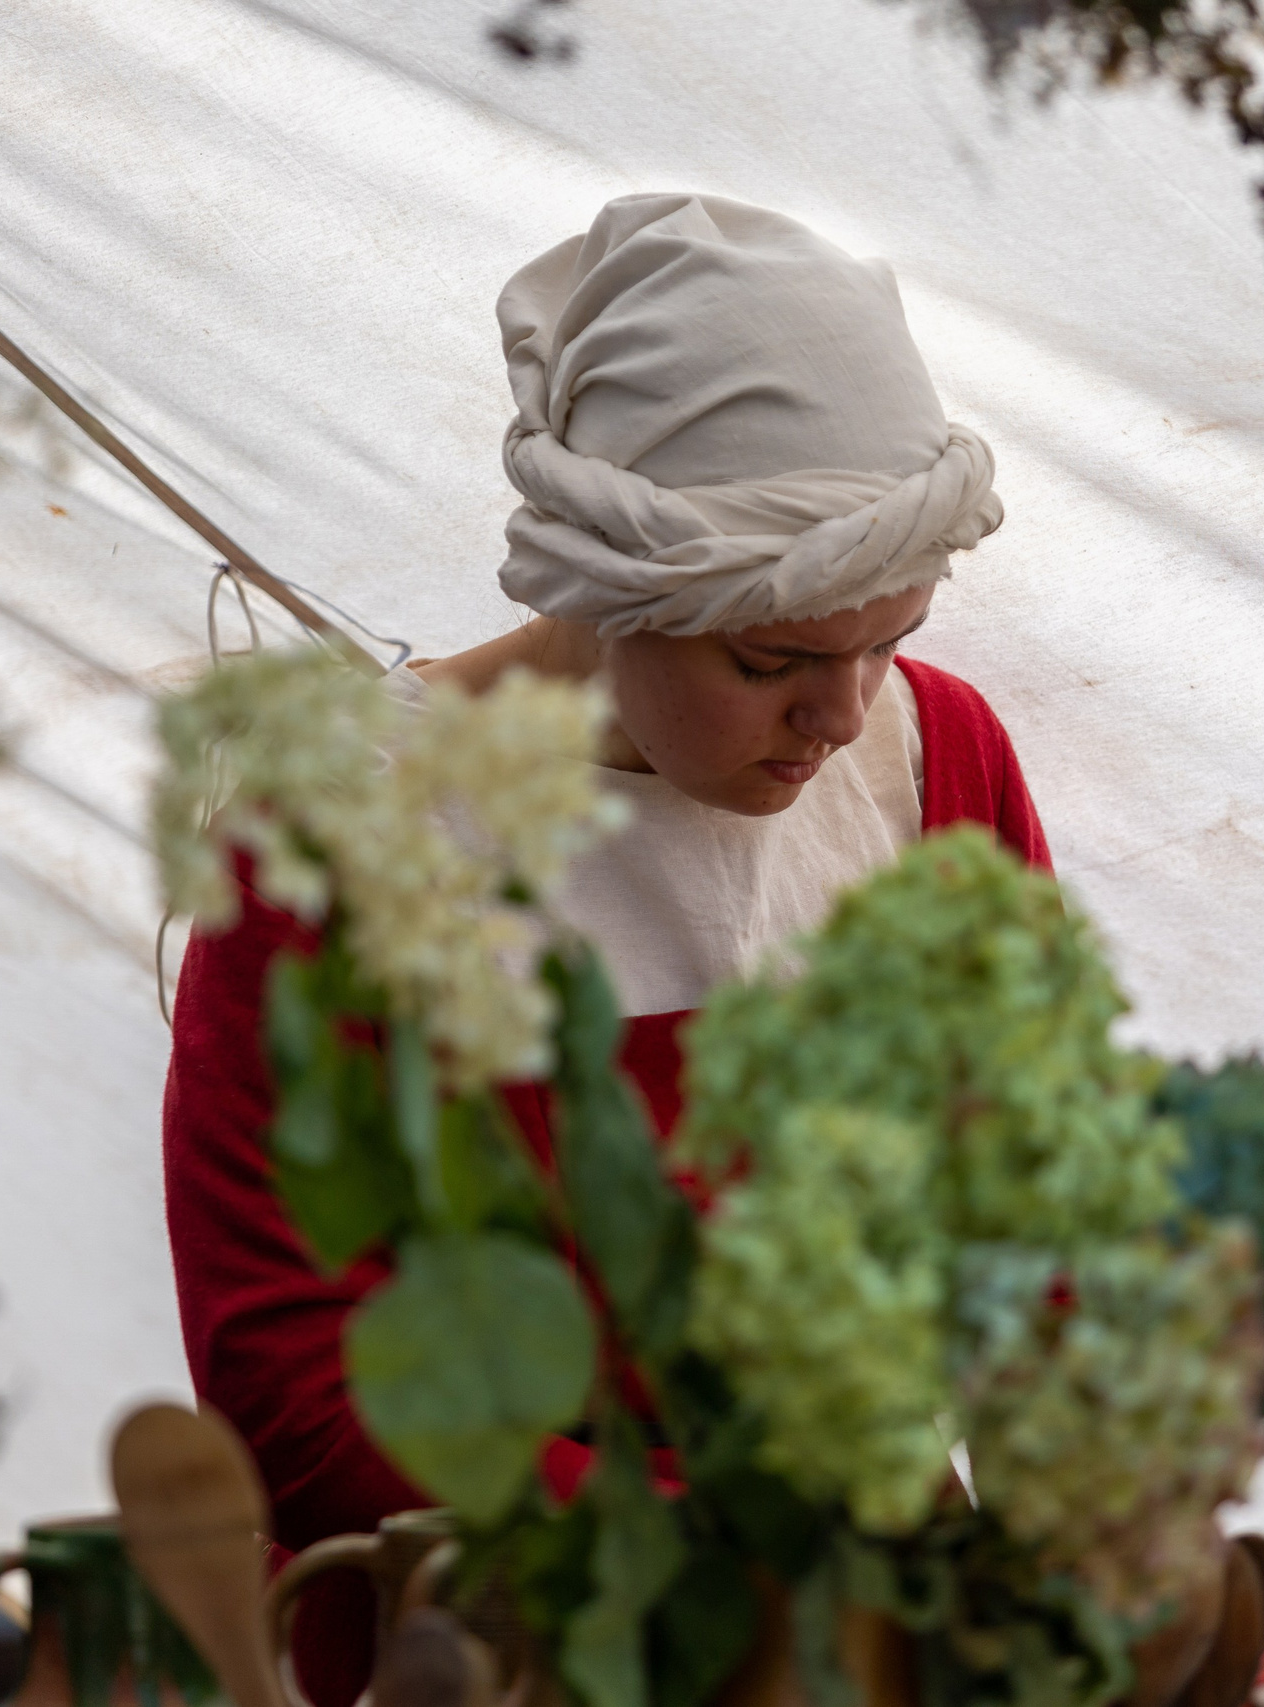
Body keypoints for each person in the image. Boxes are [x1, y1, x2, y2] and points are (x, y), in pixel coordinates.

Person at [161, 192, 1050, 1706]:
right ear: (606, 594)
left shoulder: (930, 760)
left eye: (883, 640)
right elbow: (291, 1376)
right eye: (770, 661)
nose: (838, 716)